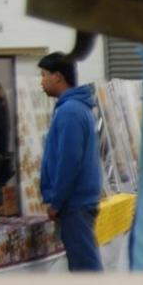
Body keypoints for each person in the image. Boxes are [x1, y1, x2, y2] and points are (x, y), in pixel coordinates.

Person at [37, 51, 102, 271]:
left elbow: (69, 161)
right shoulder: (76, 108)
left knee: (85, 268)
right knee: (83, 264)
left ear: (58, 76)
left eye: (44, 75)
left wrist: (56, 201)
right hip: (78, 201)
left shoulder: (69, 112)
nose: (41, 82)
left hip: (75, 203)